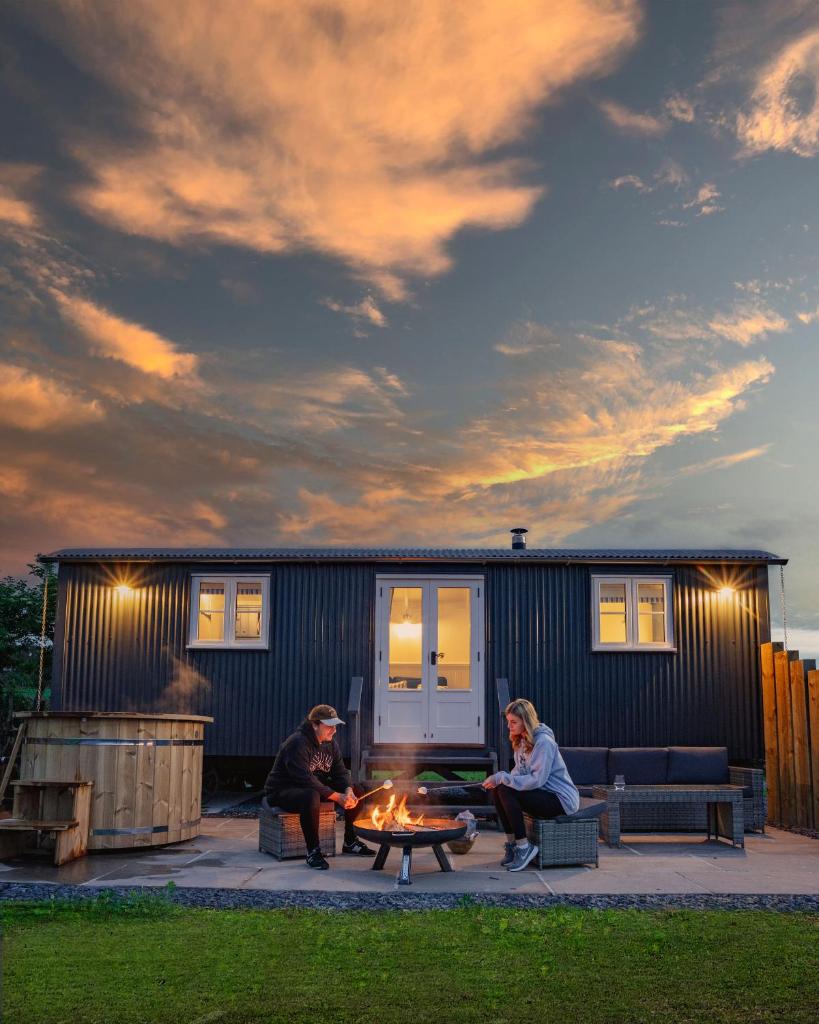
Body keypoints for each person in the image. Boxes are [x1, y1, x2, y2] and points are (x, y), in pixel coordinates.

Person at [263, 704, 375, 869]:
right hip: (283, 790)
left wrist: (348, 790)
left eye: (335, 725)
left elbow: (341, 772)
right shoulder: (297, 742)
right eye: (329, 726)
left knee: (357, 789)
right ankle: (313, 852)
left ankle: (350, 842)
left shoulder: (330, 744)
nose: (334, 730)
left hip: (311, 786)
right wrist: (337, 797)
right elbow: (305, 779)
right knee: (310, 795)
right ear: (315, 725)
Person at [482, 698, 580, 872]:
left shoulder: (544, 743)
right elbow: (518, 773)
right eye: (508, 722)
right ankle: (513, 845)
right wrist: (499, 778)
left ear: (525, 721)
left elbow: (537, 780)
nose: (509, 726)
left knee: (505, 787)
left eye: (514, 722)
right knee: (500, 789)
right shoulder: (521, 741)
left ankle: (524, 847)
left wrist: (503, 778)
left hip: (560, 799)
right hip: (541, 794)